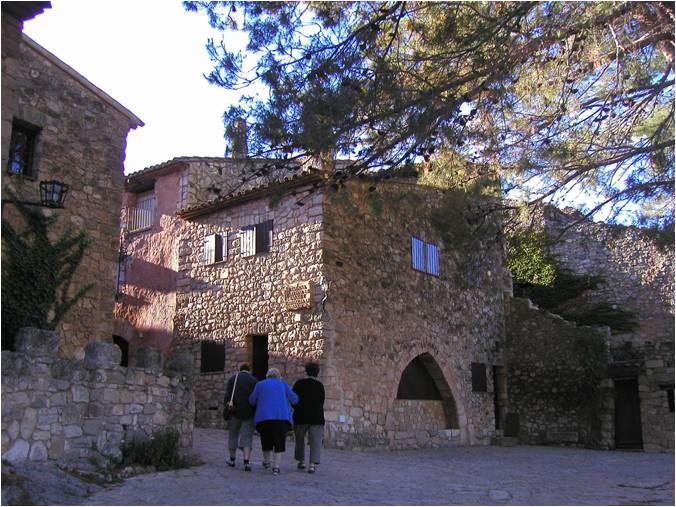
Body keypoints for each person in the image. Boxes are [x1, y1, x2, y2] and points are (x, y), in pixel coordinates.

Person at [248, 367, 298, 475]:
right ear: (279, 376)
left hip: (263, 417)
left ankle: (267, 462)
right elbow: (294, 399)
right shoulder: (283, 384)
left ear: (267, 375)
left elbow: (252, 400)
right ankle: (276, 467)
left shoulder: (260, 385)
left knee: (266, 440)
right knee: (279, 442)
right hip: (281, 417)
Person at [292, 361, 325, 474]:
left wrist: (297, 408)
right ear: (317, 373)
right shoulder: (320, 386)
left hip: (301, 416)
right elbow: (321, 401)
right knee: (315, 441)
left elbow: (293, 400)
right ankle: (312, 465)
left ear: (306, 371)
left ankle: (301, 461)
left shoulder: (299, 384)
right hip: (316, 417)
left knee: (300, 440)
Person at [224, 363, 257, 471]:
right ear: (249, 370)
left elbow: (228, 396)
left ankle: (232, 459)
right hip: (249, 413)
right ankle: (246, 462)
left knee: (233, 435)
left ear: (240, 370)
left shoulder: (233, 379)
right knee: (247, 436)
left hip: (234, 412)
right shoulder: (254, 380)